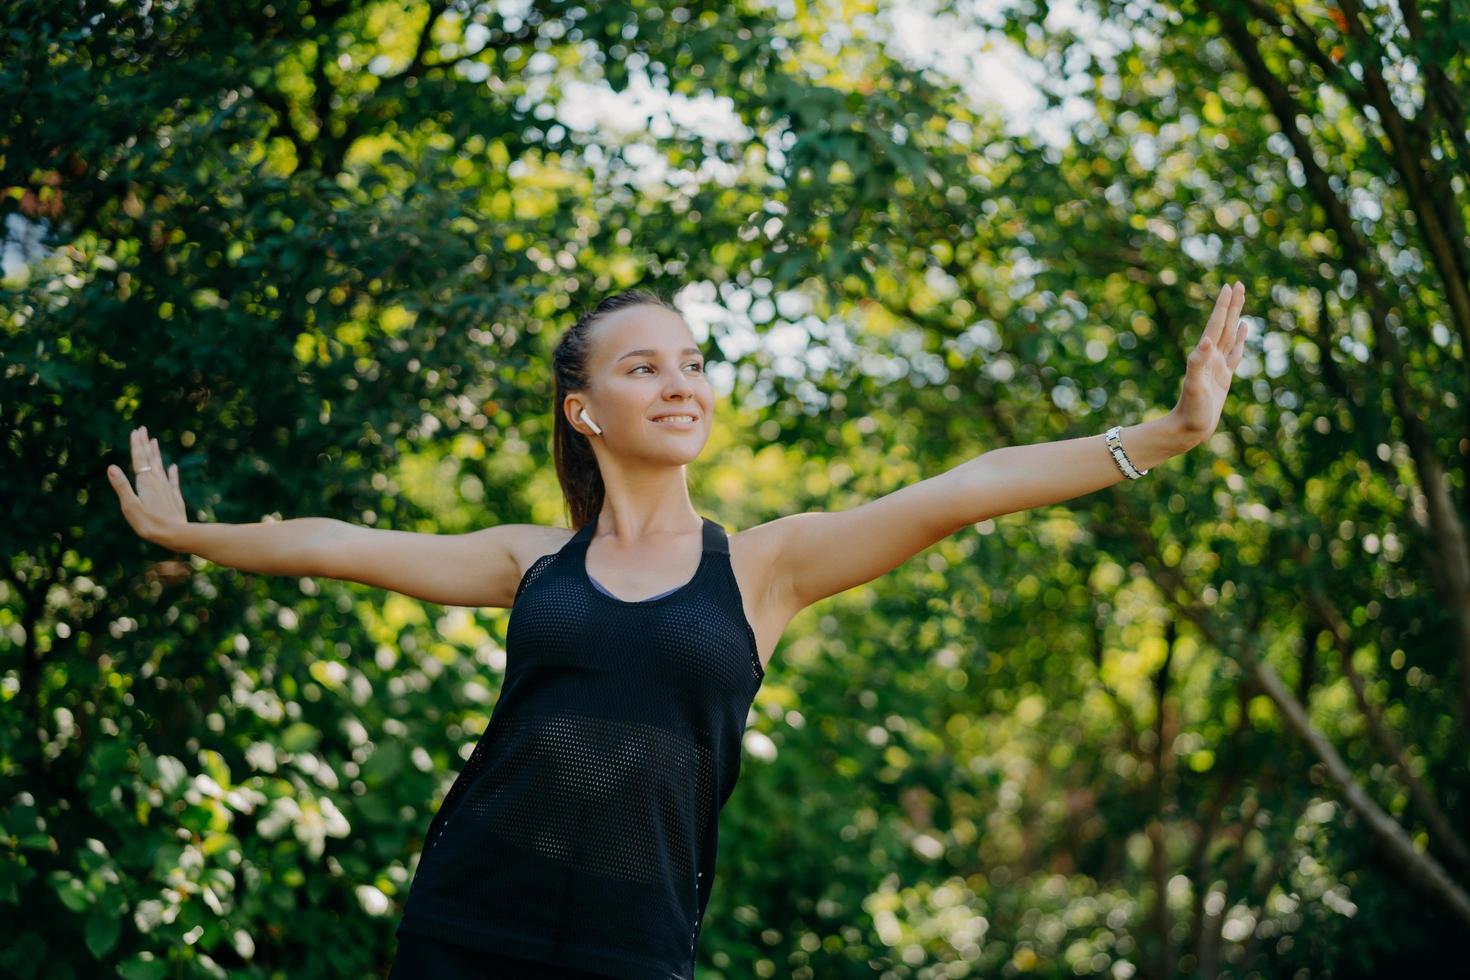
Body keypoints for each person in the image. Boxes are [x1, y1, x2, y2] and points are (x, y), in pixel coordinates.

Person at [106, 282, 1250, 977]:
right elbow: (339, 541)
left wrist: (1161, 434)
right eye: (640, 364)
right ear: (584, 409)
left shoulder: (767, 567)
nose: (678, 381)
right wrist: (188, 533)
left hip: (631, 948)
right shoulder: (533, 561)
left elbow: (963, 486)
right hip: (464, 926)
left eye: (692, 363)